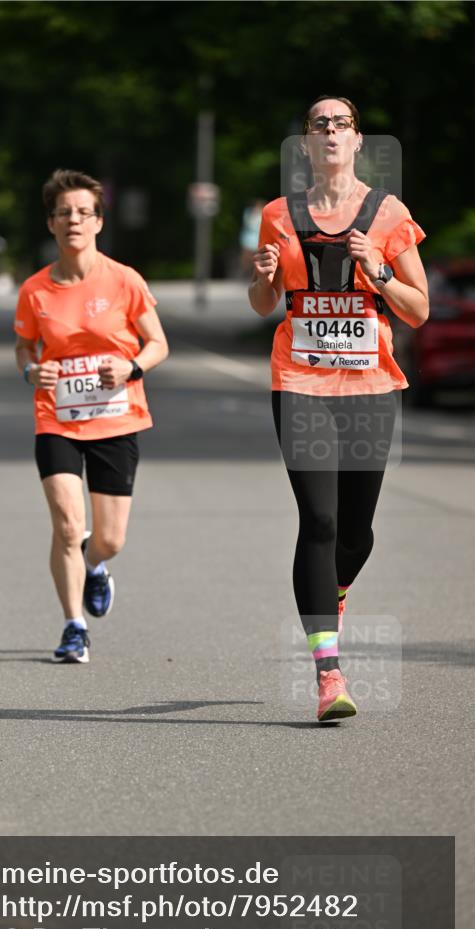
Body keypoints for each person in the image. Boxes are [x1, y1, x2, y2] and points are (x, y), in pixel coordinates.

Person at [249, 96, 428, 722]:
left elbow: (418, 308)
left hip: (371, 386)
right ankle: (330, 673)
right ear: (305, 144)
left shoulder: (387, 212)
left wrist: (376, 269)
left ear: (357, 141)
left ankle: (337, 592)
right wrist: (266, 278)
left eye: (341, 125)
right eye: (319, 125)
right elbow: (260, 302)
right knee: (319, 522)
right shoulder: (279, 215)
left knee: (356, 531)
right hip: (299, 381)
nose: (330, 132)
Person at [14, 169, 169, 663]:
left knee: (109, 538)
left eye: (83, 212)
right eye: (64, 213)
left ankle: (96, 566)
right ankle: (73, 626)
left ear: (98, 222)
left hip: (116, 419)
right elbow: (23, 347)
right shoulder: (35, 291)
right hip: (56, 417)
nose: (74, 220)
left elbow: (158, 344)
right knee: (65, 526)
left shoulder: (125, 281)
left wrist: (130, 366)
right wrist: (31, 371)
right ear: (52, 224)